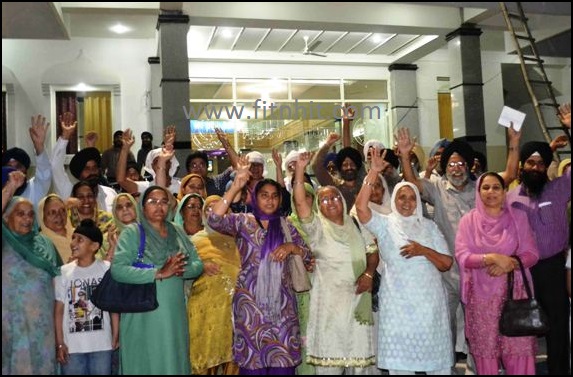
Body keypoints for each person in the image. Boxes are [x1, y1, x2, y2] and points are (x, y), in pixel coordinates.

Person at [208, 158, 311, 375]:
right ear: (255, 197)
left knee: (282, 368)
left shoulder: (286, 225)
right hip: (250, 310)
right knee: (252, 367)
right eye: (264, 195)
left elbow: (309, 259)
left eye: (275, 196)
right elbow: (214, 220)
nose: (270, 201)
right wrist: (236, 185)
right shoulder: (243, 221)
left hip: (281, 313)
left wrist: (292, 246)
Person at [356, 148, 454, 375]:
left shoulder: (429, 227)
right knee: (401, 364)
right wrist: (373, 172)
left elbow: (446, 263)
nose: (407, 202)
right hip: (397, 304)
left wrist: (423, 250)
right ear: (395, 199)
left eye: (412, 198)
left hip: (429, 304)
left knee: (436, 363)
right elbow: (361, 208)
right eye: (402, 197)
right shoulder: (385, 223)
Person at [293, 152, 376, 374]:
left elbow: (372, 251)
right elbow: (300, 202)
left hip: (357, 303)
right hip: (329, 308)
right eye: (324, 199)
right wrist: (300, 170)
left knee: (360, 368)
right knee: (330, 368)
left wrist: (368, 273)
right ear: (319, 206)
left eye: (335, 197)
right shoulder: (317, 228)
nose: (331, 202)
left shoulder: (356, 224)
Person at [506, 103, 571, 375]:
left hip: (553, 269)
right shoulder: (510, 196)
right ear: (523, 165)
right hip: (523, 272)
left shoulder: (559, 187)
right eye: (530, 162)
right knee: (523, 328)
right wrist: (513, 143)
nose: (535, 167)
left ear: (546, 166)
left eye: (540, 162)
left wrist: (570, 127)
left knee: (557, 326)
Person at [111, 185, 203, 374]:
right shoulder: (132, 233)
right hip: (143, 314)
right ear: (143, 208)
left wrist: (178, 270)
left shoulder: (177, 231)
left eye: (163, 201)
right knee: (145, 361)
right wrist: (158, 273)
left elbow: (198, 264)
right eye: (152, 201)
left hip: (173, 315)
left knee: (173, 359)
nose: (159, 206)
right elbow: (118, 270)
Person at [456, 172, 540, 375]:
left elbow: (532, 253)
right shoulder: (468, 221)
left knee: (519, 354)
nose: (491, 192)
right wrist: (491, 258)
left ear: (504, 192)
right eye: (485, 187)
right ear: (478, 191)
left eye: (496, 187)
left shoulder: (517, 218)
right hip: (482, 299)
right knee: (486, 357)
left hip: (515, 295)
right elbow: (462, 255)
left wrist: (509, 263)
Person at [2, 170, 62, 375]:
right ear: (6, 217)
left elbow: (60, 286)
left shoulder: (44, 244)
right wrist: (10, 188)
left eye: (30, 214)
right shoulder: (4, 241)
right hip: (9, 329)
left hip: (43, 330)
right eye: (20, 214)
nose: (27, 219)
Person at [182, 195, 241, 375]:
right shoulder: (193, 241)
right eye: (208, 209)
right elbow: (183, 269)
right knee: (205, 355)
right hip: (204, 309)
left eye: (220, 208)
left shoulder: (239, 239)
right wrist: (201, 266)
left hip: (234, 308)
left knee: (233, 356)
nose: (213, 212)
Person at [54, 219, 120, 375]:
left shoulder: (106, 269)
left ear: (94, 246)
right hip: (73, 348)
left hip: (101, 345)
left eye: (80, 239)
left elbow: (113, 307)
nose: (73, 243)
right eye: (73, 238)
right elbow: (58, 311)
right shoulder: (63, 272)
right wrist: (60, 343)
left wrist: (115, 334)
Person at [51, 112, 117, 212]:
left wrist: (91, 147)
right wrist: (65, 136)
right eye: (87, 169)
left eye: (94, 168)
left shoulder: (110, 193)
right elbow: (55, 166)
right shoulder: (69, 191)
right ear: (79, 173)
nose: (92, 172)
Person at [2, 115, 52, 207]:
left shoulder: (35, 188)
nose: (13, 171)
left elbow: (45, 173)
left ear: (26, 171)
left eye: (18, 167)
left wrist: (39, 146)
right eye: (8, 167)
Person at [38, 194, 75, 263]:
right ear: (42, 216)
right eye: (52, 212)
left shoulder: (79, 234)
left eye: (62, 210)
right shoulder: (39, 243)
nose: (59, 215)